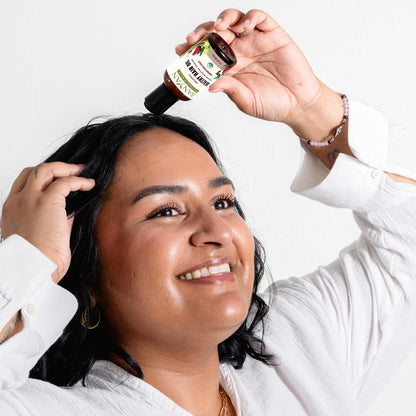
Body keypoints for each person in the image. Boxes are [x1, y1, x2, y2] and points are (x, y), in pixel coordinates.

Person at [0, 8, 415, 416]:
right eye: (166, 210)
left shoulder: (302, 345)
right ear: (84, 269)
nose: (216, 230)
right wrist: (29, 259)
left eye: (223, 202)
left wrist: (312, 109)